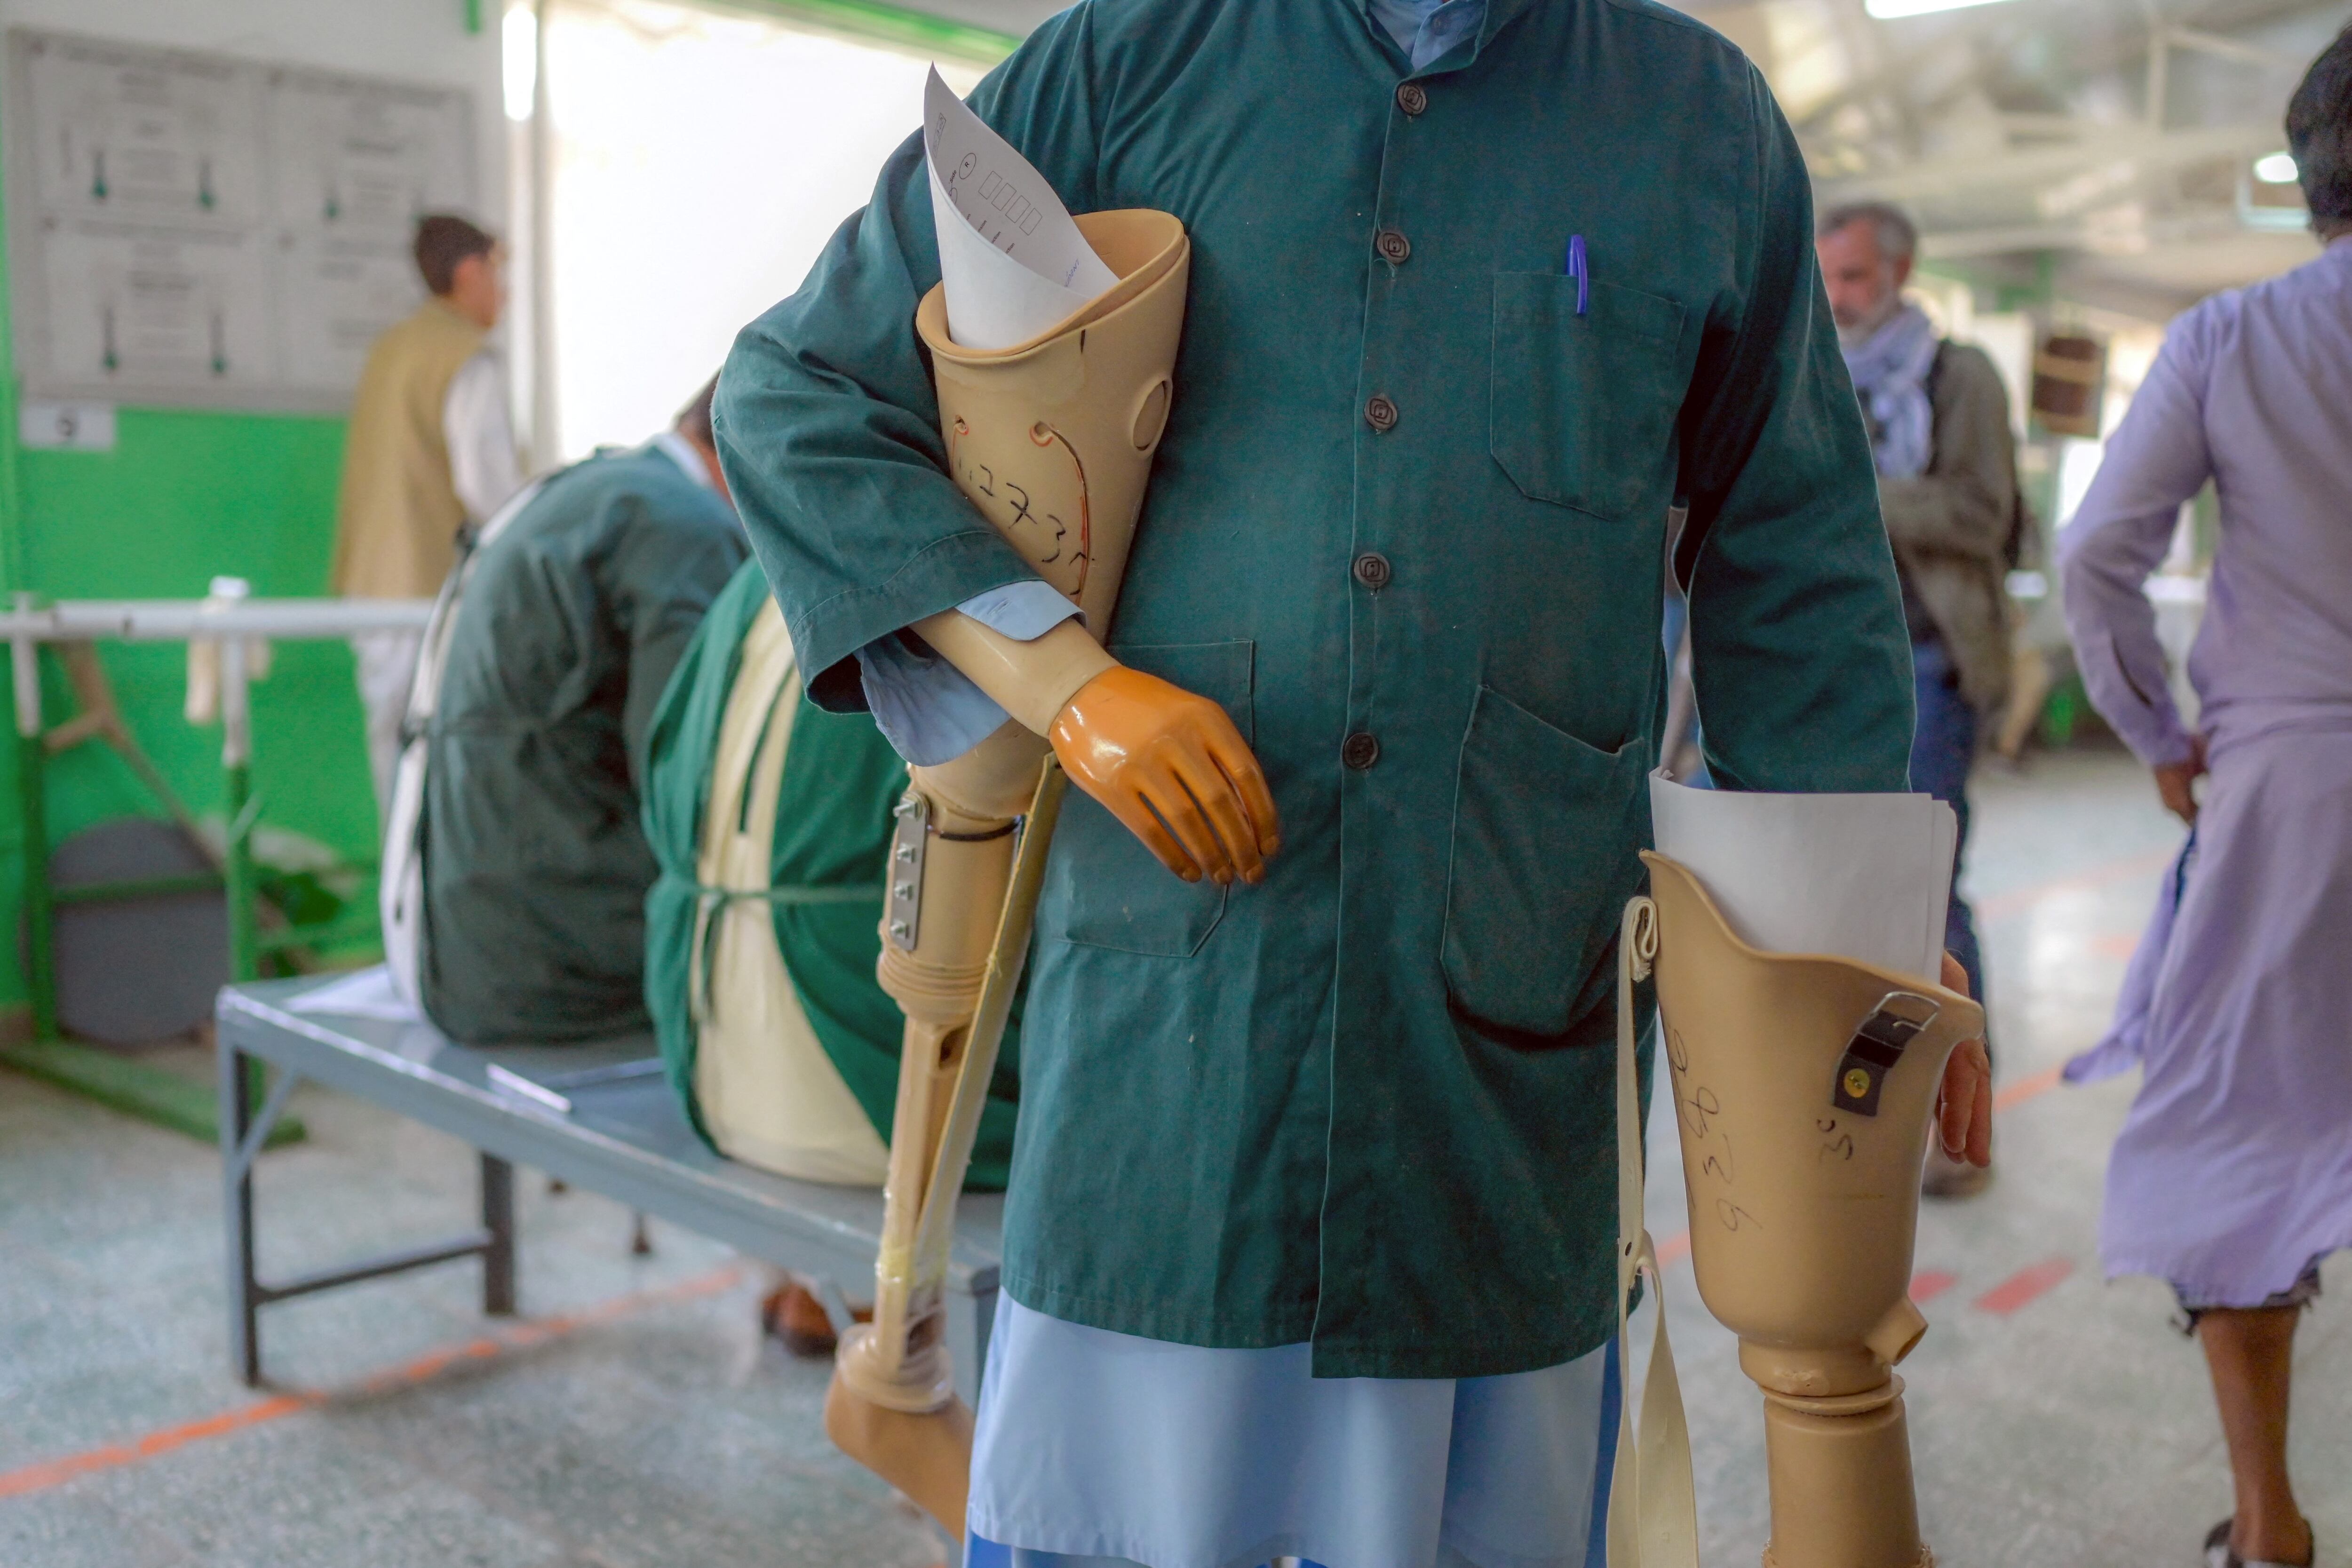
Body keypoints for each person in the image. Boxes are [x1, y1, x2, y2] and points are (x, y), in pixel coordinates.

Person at [719, 0, 1992, 1561]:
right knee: (1120, 1505)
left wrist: (1857, 935)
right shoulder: (1125, 64)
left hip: (1501, 1009)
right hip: (1179, 1016)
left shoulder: (1699, 121)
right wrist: (1069, 682)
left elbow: (1797, 569)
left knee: (1484, 1505)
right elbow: (798, 393)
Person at [2058, 27, 2352, 1568]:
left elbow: (2094, 552)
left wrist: (2161, 733)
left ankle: (2268, 1523)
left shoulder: (2234, 338)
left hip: (2291, 794)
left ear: (2308, 178)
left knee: (2246, 1141)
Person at [639, 557, 1022, 1353]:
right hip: (871, 1106)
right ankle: (867, 1306)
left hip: (705, 1060)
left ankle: (804, 1289)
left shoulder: (748, 580)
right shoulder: (956, 566)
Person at [414, 380, 744, 1044]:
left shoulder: (594, 490)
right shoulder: (686, 526)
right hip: (564, 965)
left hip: (467, 943)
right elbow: (687, 779)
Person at [1817, 199, 2022, 1199]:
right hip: (1834, 672)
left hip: (1932, 665)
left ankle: (1959, 1125)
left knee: (1931, 895)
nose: (1837, 297)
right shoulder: (1813, 373)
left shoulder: (1956, 375)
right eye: (1826, 277)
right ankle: (1865, 1114)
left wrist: (1849, 484)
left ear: (1900, 272)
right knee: (1835, 897)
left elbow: (1983, 512)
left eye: (1854, 277)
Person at [332, 214, 525, 817]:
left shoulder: (390, 349)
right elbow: (489, 486)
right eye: (497, 273)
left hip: (371, 582)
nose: (504, 292)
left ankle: (401, 877)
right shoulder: (466, 358)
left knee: (391, 746)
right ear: (468, 273)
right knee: (440, 749)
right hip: (430, 584)